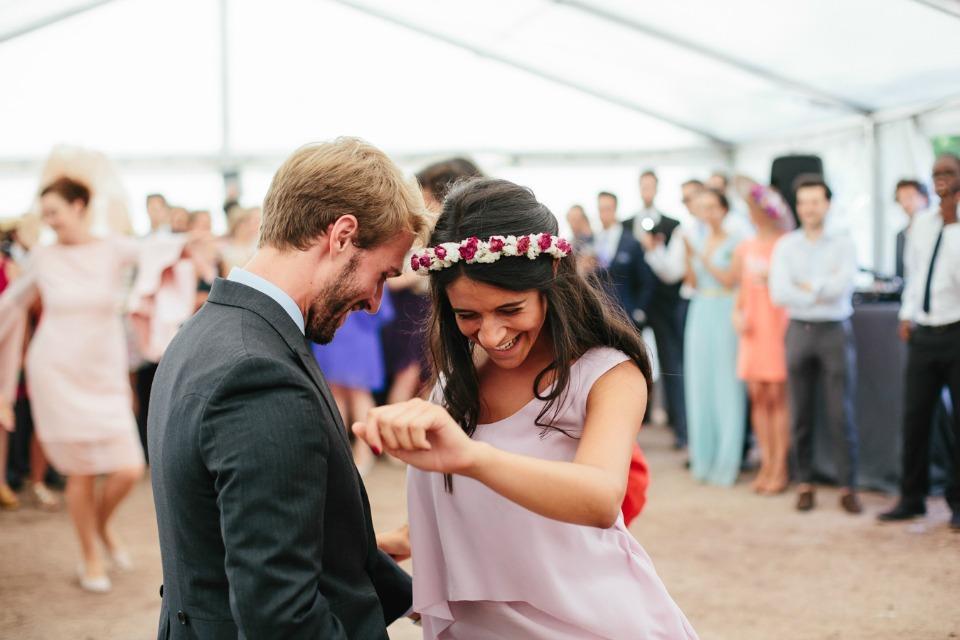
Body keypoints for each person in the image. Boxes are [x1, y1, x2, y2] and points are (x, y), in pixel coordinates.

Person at [354, 177, 698, 639]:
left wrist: (472, 458)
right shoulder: (458, 376)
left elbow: (599, 497)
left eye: (510, 309)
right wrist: (408, 538)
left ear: (552, 273)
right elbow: (489, 508)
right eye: (468, 315)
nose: (492, 335)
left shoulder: (606, 374)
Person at [148, 138, 428, 639]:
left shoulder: (207, 331)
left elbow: (261, 540)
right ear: (342, 235)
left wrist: (425, 595)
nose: (373, 300)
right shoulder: (258, 372)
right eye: (382, 273)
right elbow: (281, 613)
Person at [0, 176, 188, 592]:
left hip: (103, 371)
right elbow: (10, 304)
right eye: (44, 214)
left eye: (55, 212)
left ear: (80, 205)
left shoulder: (112, 248)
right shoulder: (44, 257)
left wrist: (192, 243)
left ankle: (102, 528)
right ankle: (89, 555)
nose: (49, 222)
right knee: (79, 473)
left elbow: (160, 253)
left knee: (128, 467)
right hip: (56, 371)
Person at [769, 175, 862, 514]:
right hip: (798, 330)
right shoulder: (786, 245)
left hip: (834, 330)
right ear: (798, 206)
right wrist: (819, 287)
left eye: (815, 201)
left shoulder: (843, 243)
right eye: (803, 202)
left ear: (827, 204)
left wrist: (807, 286)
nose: (809, 208)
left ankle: (847, 486)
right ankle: (804, 483)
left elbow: (842, 286)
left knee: (841, 413)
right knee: (800, 412)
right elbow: (779, 292)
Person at [878, 154, 960, 530]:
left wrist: (954, 224)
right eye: (936, 174)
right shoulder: (921, 225)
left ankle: (957, 504)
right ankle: (912, 497)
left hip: (956, 331)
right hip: (924, 333)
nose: (941, 179)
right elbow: (914, 274)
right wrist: (907, 315)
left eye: (948, 173)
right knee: (915, 418)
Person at [682, 189, 746, 486]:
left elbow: (730, 279)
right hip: (700, 309)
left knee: (726, 386)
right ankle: (702, 459)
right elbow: (692, 282)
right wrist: (688, 258)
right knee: (700, 385)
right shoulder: (697, 241)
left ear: (723, 209)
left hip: (724, 308)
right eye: (702, 207)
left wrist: (701, 257)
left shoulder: (736, 242)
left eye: (712, 207)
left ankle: (727, 461)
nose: (707, 213)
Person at [734, 183, 794, 494]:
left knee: (777, 395)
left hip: (778, 322)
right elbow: (741, 288)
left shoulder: (786, 243)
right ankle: (766, 462)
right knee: (757, 394)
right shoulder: (746, 246)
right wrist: (737, 312)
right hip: (753, 326)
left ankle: (781, 466)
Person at [631, 170, 689, 447]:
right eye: (643, 185)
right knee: (629, 365)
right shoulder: (626, 224)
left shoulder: (673, 224)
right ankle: (633, 426)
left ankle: (681, 429)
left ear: (657, 188)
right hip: (634, 308)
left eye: (651, 186)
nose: (647, 190)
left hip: (666, 307)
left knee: (672, 365)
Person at [312, 290, 395, 476]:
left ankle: (351, 452)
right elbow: (384, 312)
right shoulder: (368, 272)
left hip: (341, 336)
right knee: (345, 395)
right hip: (345, 337)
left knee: (351, 395)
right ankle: (352, 452)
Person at [593, 191, 655, 329]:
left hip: (626, 316)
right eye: (600, 209)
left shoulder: (631, 242)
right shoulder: (593, 241)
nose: (603, 213)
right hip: (599, 316)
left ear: (615, 209)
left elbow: (646, 280)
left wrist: (638, 311)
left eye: (607, 209)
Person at [894, 179, 930, 279]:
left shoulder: (938, 231)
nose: (905, 203)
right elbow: (900, 274)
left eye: (910, 197)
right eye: (901, 199)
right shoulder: (901, 235)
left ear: (925, 198)